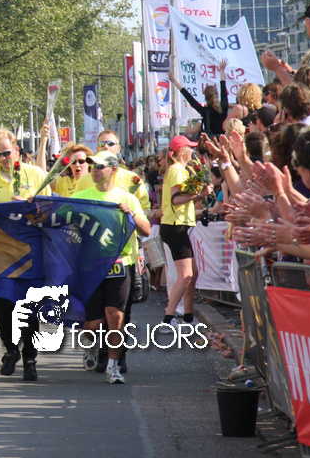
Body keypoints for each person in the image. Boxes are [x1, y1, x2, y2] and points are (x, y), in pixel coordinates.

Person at [0, 129, 49, 381]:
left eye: (7, 153)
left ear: (17, 150)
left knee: (30, 309)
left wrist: (33, 207)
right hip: (1, 251)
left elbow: (50, 213)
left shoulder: (35, 174)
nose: (4, 158)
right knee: (3, 303)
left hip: (31, 249)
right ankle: (10, 349)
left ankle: (30, 358)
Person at [72, 152, 150, 385]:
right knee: (93, 324)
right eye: (92, 166)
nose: (94, 170)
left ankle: (113, 367)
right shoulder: (81, 197)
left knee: (116, 317)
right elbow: (57, 216)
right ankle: (90, 345)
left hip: (120, 265)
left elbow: (146, 230)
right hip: (91, 267)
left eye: (99, 166)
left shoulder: (127, 198)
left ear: (114, 170)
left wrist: (131, 214)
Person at [160, 136, 212, 329]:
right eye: (190, 147)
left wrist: (199, 192)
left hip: (179, 225)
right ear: (181, 151)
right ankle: (169, 318)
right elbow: (176, 200)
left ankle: (188, 316)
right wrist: (200, 194)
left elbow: (182, 197)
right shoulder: (176, 170)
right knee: (185, 275)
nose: (192, 151)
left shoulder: (181, 170)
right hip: (175, 225)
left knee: (192, 274)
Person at [167, 59, 229, 136]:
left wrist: (174, 82)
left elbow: (190, 99)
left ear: (206, 98)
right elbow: (223, 90)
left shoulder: (205, 111)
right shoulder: (223, 107)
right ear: (217, 94)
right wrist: (222, 71)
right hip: (223, 139)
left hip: (210, 140)